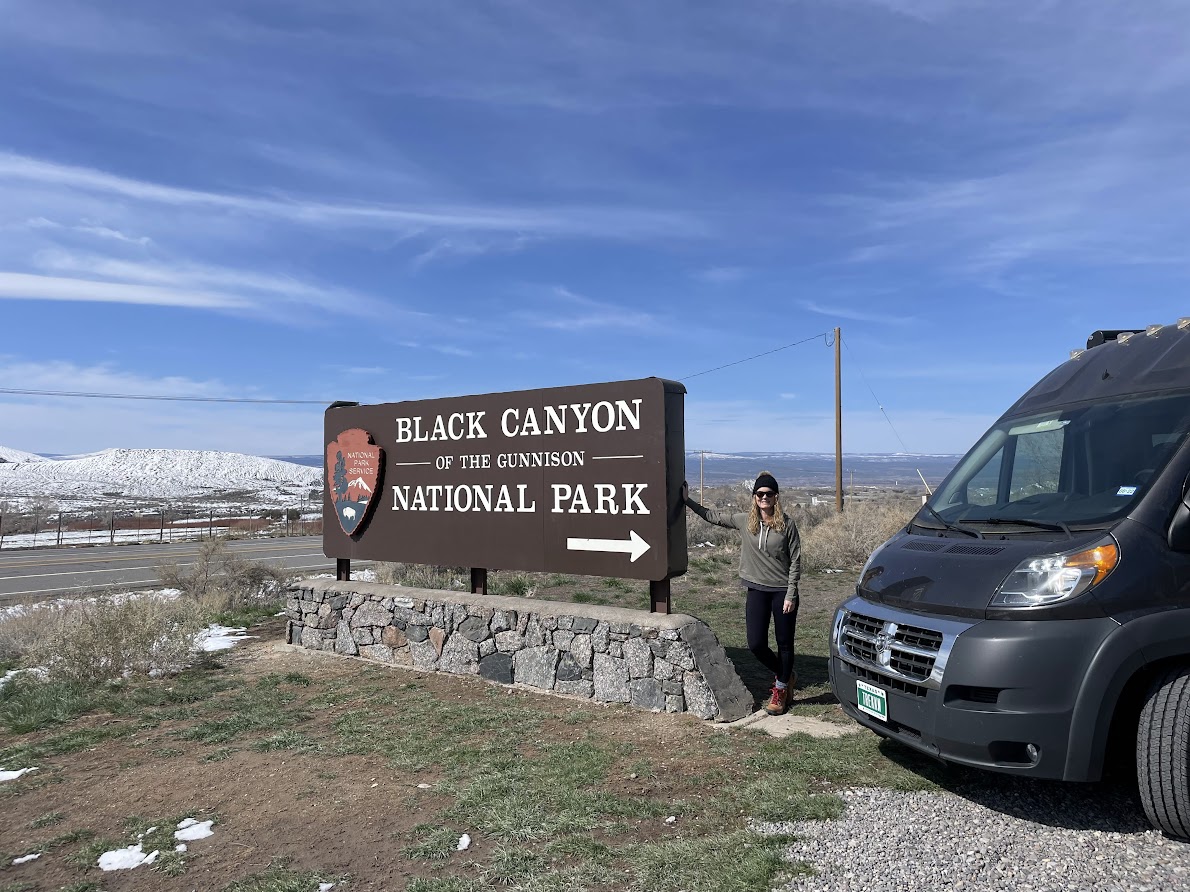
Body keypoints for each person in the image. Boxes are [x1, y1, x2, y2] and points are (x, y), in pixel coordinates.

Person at [683, 471, 802, 716]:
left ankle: (780, 690)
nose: (764, 497)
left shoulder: (787, 525)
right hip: (756, 588)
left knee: (784, 643)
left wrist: (791, 593)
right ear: (754, 497)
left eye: (768, 493)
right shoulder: (744, 521)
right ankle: (786, 674)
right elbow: (713, 516)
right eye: (759, 493)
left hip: (782, 591)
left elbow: (796, 561)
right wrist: (688, 501)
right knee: (756, 643)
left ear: (776, 497)